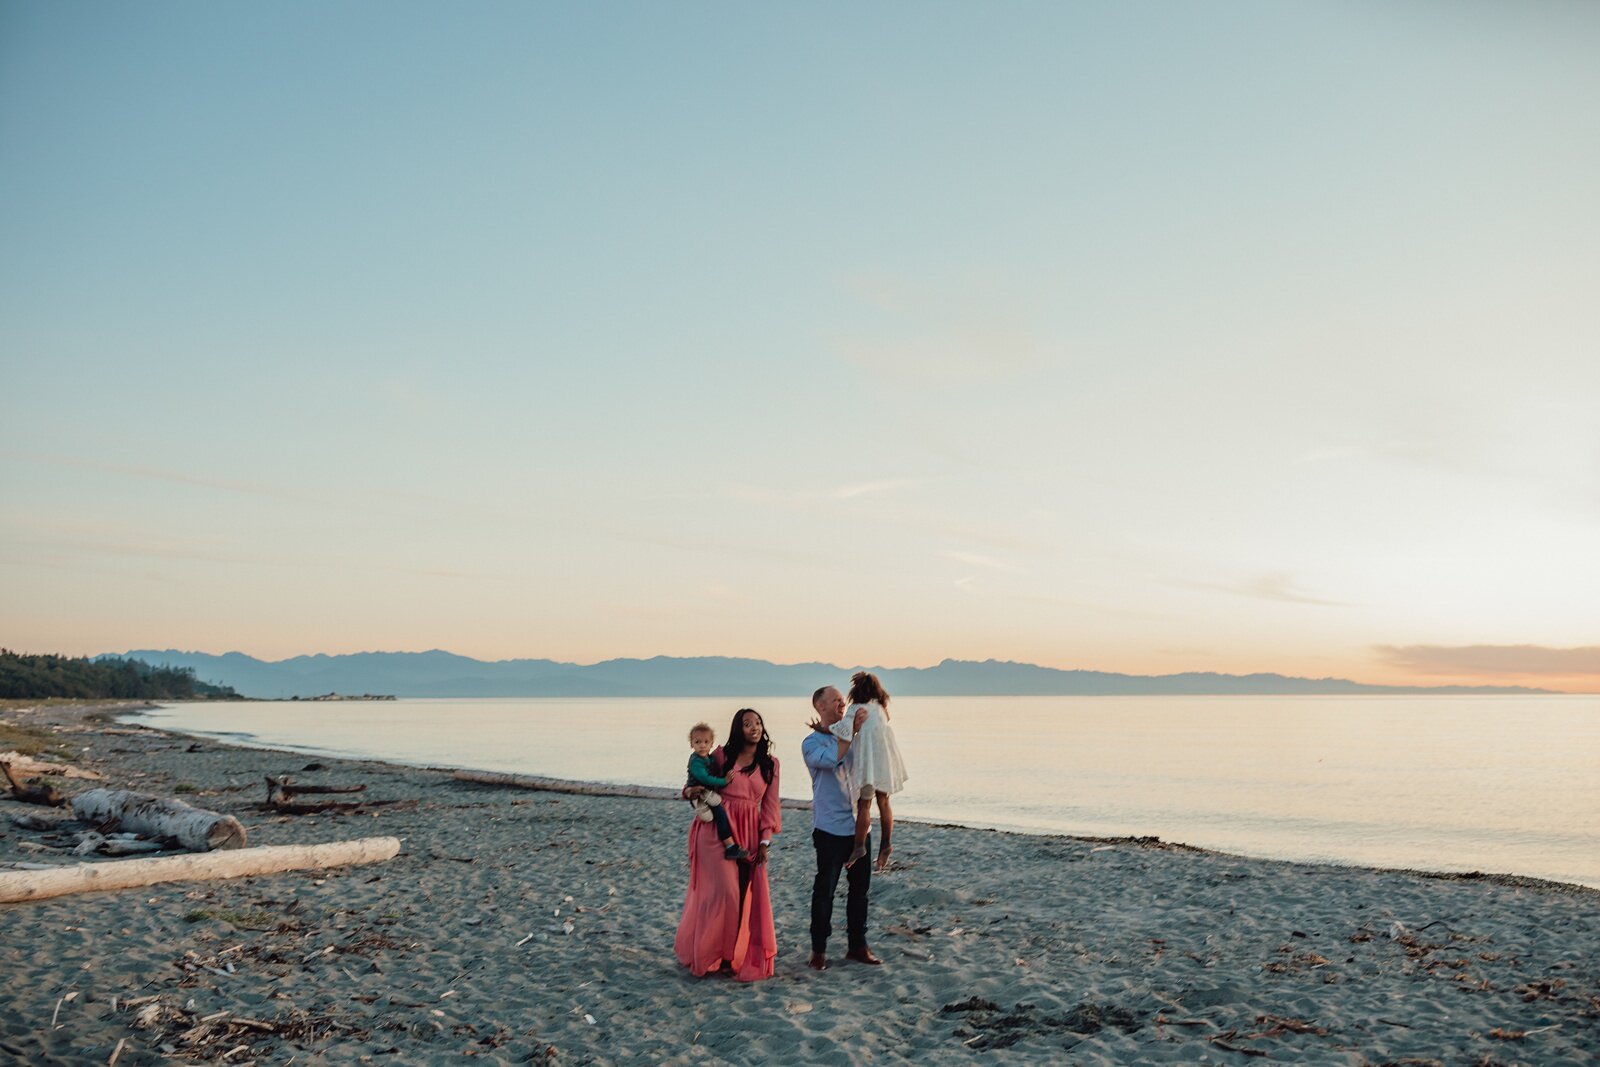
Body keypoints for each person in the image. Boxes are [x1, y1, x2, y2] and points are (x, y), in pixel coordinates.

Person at [674, 708, 782, 982]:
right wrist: (688, 791)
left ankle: (726, 958)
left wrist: (765, 842)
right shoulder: (722, 755)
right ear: (738, 729)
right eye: (747, 724)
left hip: (748, 835)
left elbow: (770, 807)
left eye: (758, 722)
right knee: (726, 893)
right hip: (715, 832)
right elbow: (694, 774)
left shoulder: (771, 764)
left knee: (742, 897)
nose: (754, 727)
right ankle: (706, 952)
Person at [803, 686, 881, 970]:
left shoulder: (855, 737)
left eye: (842, 700)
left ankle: (857, 946)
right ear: (820, 706)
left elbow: (875, 761)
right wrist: (851, 732)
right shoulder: (811, 744)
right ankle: (819, 950)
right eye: (835, 700)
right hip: (829, 829)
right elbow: (832, 759)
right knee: (825, 890)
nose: (841, 704)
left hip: (860, 827)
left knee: (860, 891)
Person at [828, 670, 907, 871]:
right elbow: (884, 723)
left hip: (870, 762)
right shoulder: (880, 707)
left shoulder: (856, 708)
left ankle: (859, 845)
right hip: (885, 760)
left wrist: (821, 729)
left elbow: (843, 730)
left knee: (865, 805)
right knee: (884, 801)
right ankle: (886, 844)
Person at [684, 722, 750, 860]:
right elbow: (706, 778)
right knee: (718, 813)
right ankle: (730, 846)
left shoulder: (711, 758)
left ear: (711, 743)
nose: (702, 745)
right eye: (697, 742)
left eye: (706, 742)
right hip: (699, 793)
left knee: (716, 809)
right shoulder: (696, 762)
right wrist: (724, 781)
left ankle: (731, 845)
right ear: (691, 744)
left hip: (708, 792)